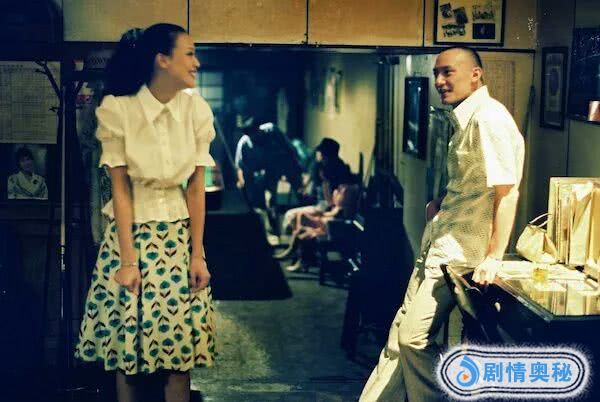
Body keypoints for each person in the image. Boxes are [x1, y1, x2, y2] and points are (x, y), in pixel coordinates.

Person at [359, 46, 525, 402]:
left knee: (412, 338)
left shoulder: (488, 119)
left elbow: (507, 192)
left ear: (476, 75)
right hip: (440, 239)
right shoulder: (466, 117)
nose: (439, 81)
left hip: (459, 253)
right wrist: (441, 207)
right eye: (437, 73)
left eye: (448, 72)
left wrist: (494, 256)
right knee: (398, 339)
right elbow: (473, 186)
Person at [74, 24, 216, 402]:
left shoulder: (195, 110)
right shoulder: (118, 110)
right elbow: (121, 190)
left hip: (177, 238)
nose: (196, 63)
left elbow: (196, 187)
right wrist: (128, 260)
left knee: (178, 358)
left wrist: (197, 253)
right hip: (131, 236)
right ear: (161, 60)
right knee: (128, 355)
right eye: (189, 54)